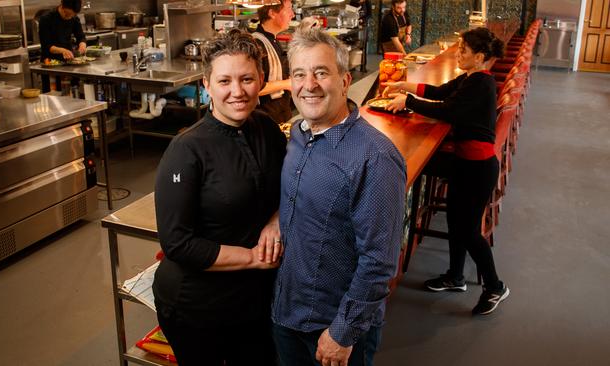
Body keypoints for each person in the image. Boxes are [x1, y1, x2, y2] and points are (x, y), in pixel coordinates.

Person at [272, 29, 407, 366]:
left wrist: (342, 332)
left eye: (321, 72)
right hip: (286, 312)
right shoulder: (298, 136)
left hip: (333, 329)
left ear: (345, 81)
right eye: (299, 74)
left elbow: (379, 261)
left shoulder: (374, 157)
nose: (309, 84)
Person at [153, 29, 287, 366]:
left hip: (256, 300)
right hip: (198, 307)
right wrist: (254, 258)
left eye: (247, 79)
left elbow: (292, 187)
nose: (237, 92)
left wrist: (276, 220)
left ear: (261, 80)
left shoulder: (268, 129)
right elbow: (177, 243)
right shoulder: (185, 151)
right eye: (225, 81)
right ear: (206, 85)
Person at [383, 27, 510, 315]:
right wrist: (404, 86)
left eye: (463, 50)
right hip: (465, 164)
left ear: (479, 57)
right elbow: (440, 92)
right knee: (456, 221)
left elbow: (449, 110)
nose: (459, 53)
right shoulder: (471, 78)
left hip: (478, 169)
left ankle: (495, 286)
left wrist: (409, 103)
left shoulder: (481, 84)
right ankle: (455, 276)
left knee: (468, 229)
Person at [253, 0, 295, 123]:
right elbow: (254, 88)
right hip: (265, 120)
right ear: (272, 13)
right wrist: (287, 84)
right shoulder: (257, 43)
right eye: (289, 9)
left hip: (281, 116)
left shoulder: (273, 40)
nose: (292, 14)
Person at [38, 0, 86, 92]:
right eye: (67, 14)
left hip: (69, 63)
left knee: (73, 95)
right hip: (50, 65)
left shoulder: (74, 18)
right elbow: (46, 46)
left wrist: (82, 44)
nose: (69, 17)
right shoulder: (46, 19)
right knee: (52, 97)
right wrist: (62, 50)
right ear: (62, 6)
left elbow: (81, 36)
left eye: (72, 15)